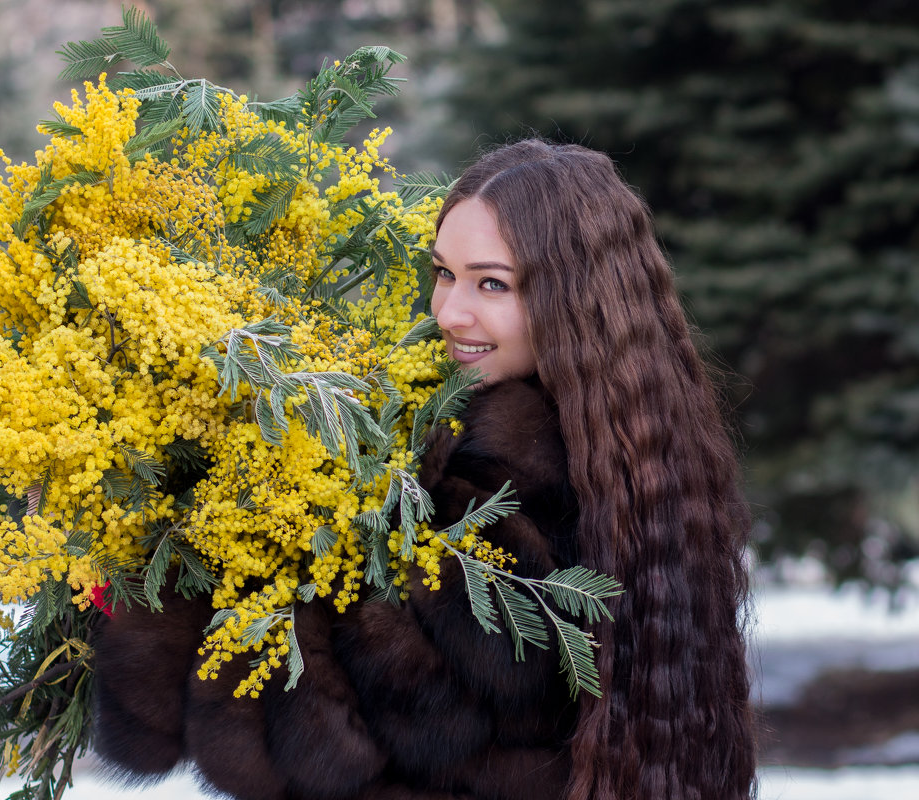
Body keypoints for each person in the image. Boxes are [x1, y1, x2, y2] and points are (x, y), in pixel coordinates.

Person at [92, 139, 757, 800]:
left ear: (573, 302)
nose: (448, 312)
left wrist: (123, 560)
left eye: (492, 283)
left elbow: (302, 740)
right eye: (444, 273)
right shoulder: (638, 463)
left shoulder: (504, 503)